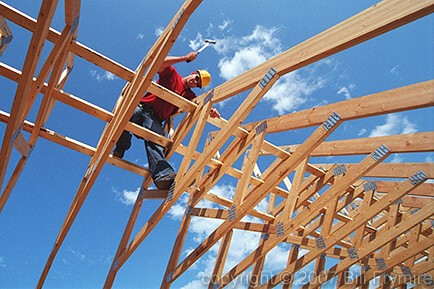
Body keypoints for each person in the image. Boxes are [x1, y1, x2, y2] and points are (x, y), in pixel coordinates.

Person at [113, 51, 221, 190]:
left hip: (154, 119)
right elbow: (159, 62)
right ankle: (121, 147)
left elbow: (200, 106)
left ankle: (163, 176)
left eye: (197, 84)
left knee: (157, 142)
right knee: (123, 116)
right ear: (193, 72)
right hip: (141, 108)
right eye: (196, 78)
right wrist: (184, 58)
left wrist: (210, 110)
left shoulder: (189, 95)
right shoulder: (172, 75)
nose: (194, 82)